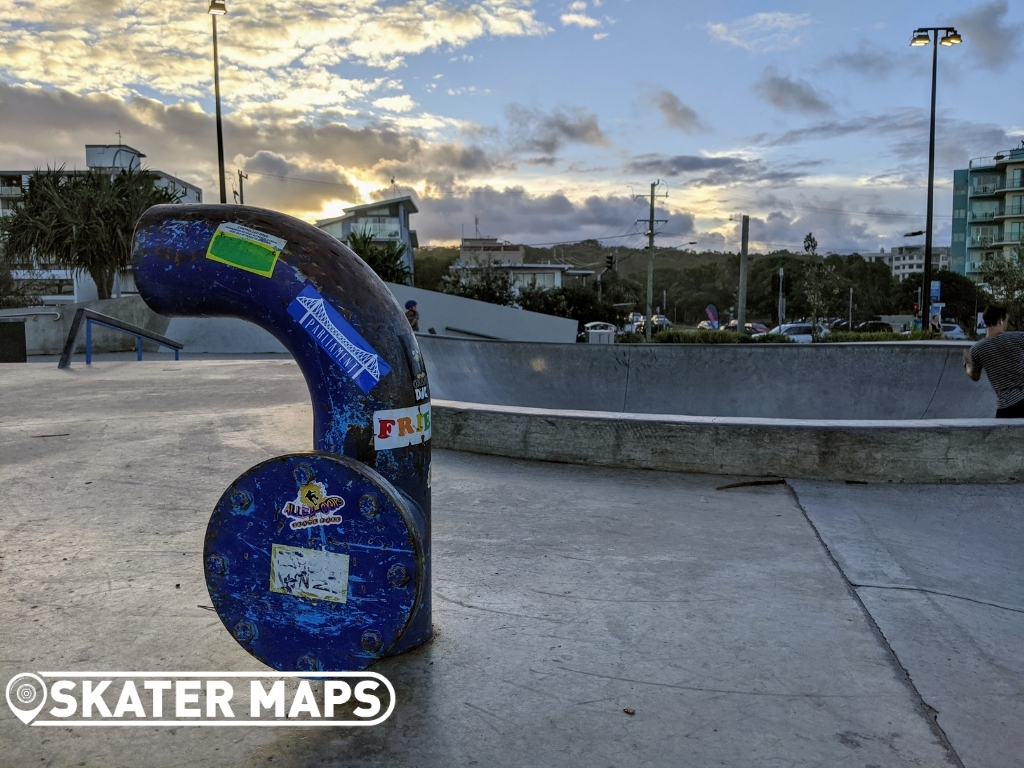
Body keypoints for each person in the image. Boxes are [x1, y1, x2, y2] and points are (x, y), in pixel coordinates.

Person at [963, 304, 1024, 418]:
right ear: (1001, 320)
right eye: (1006, 320)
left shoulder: (976, 349)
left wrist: (966, 364)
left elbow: (975, 376)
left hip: (1006, 407)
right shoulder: (1019, 337)